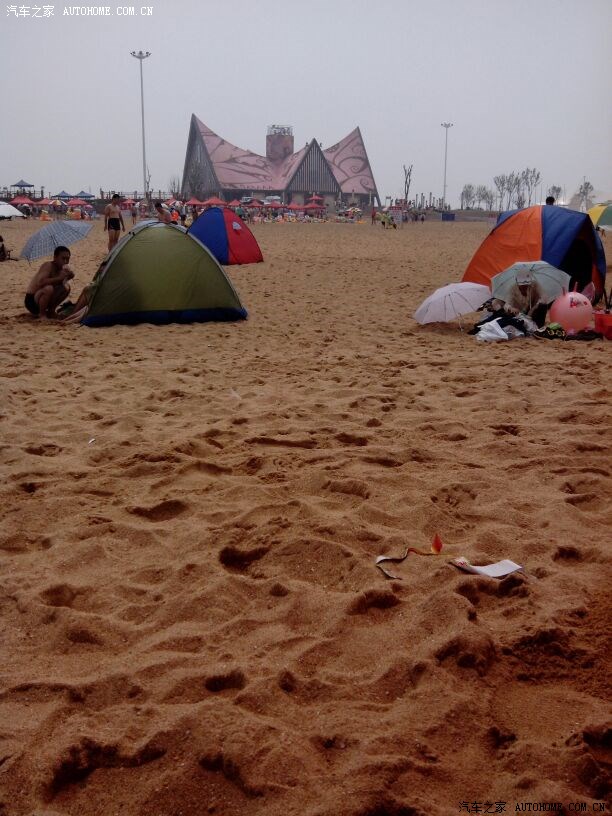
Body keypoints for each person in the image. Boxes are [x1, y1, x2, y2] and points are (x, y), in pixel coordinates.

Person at [25, 246, 74, 319]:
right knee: (49, 288)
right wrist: (59, 278)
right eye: (63, 258)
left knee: (66, 287)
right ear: (55, 258)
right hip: (32, 300)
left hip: (44, 298)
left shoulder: (61, 269)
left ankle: (51, 311)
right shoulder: (48, 265)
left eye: (67, 259)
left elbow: (60, 284)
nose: (65, 261)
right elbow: (40, 282)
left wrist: (69, 276)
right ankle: (42, 315)